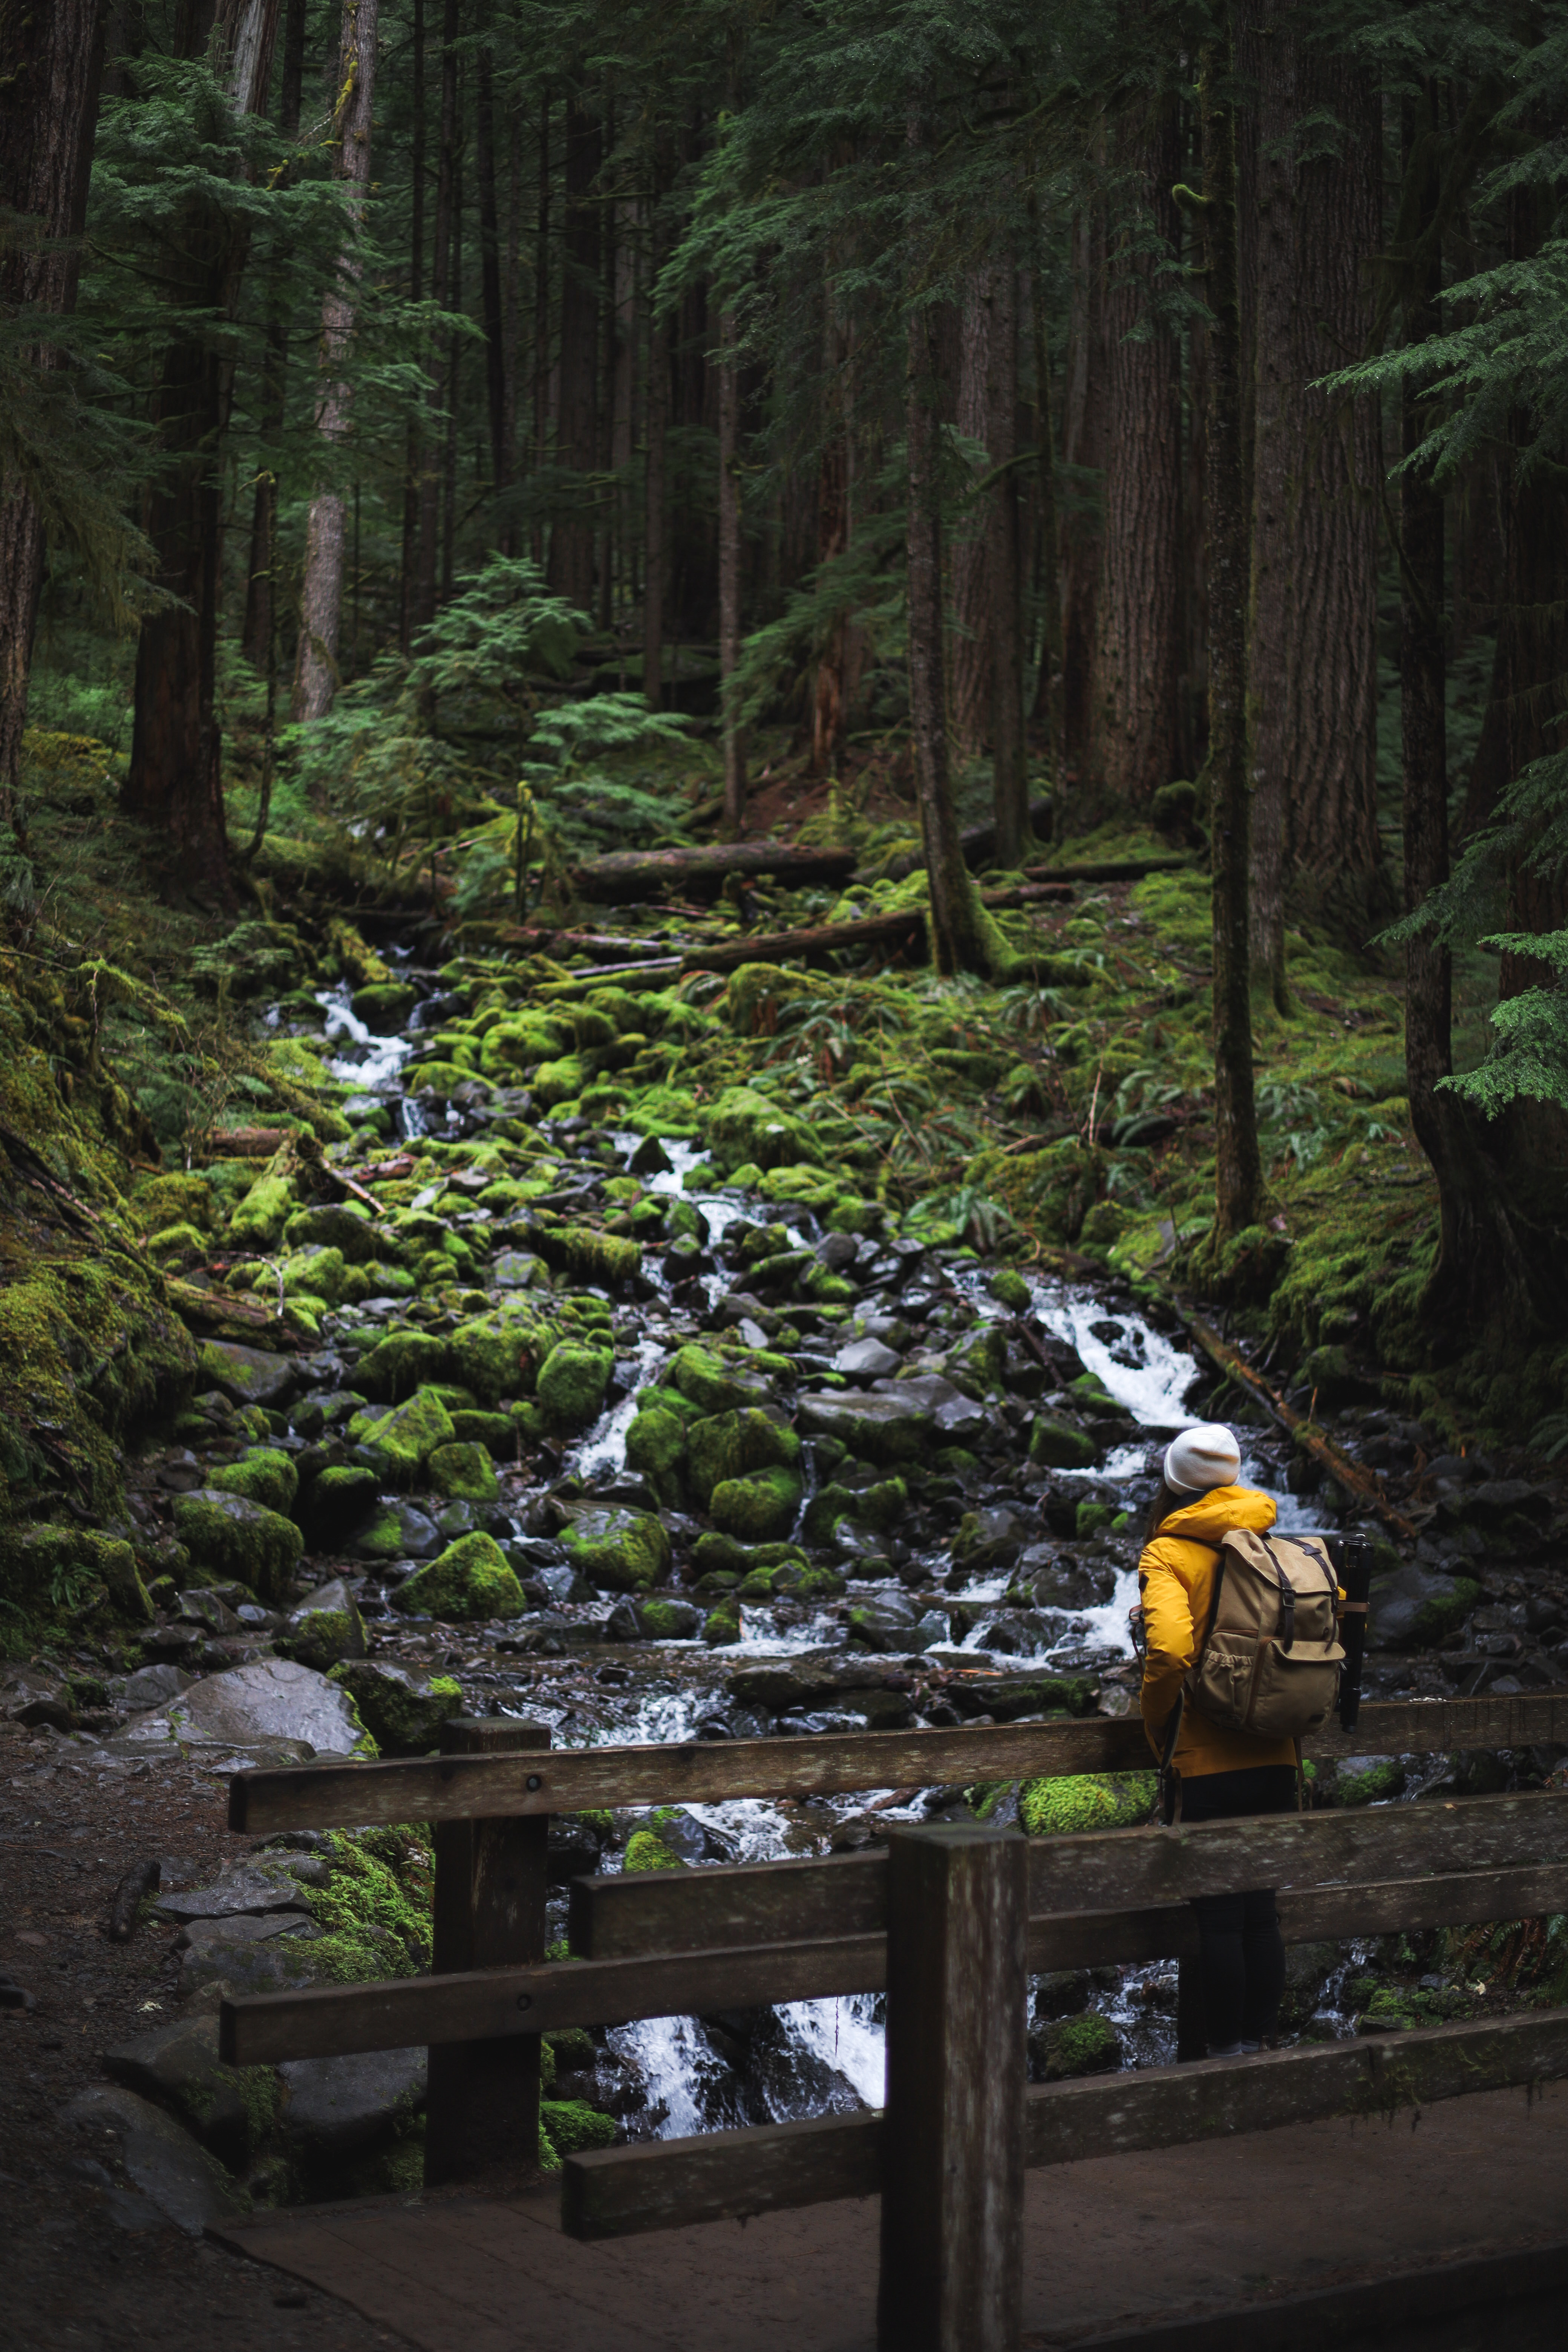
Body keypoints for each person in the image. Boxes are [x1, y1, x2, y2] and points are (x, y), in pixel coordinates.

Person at [1137, 1424, 1292, 2061]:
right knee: (1262, 1914)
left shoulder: (1168, 1554)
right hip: (1279, 1756)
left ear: (1172, 1486)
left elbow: (1170, 1651)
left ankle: (1223, 2053)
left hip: (1206, 1764)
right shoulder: (1270, 1543)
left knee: (1221, 1919)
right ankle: (1260, 2042)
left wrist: (1157, 1726)